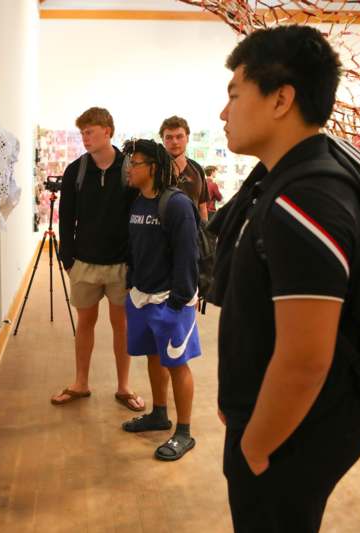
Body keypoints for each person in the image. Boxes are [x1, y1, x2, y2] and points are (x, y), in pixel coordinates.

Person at [213, 26, 360, 532]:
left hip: (292, 436)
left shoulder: (304, 202)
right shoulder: (287, 183)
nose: (223, 113)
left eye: (234, 95)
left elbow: (305, 359)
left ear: (281, 99)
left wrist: (256, 444)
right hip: (284, 422)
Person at [52, 107, 145, 412]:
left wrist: (133, 261)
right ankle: (80, 383)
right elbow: (66, 217)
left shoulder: (129, 169)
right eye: (82, 132)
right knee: (85, 323)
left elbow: (137, 216)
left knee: (122, 325)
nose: (85, 138)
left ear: (107, 131)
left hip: (120, 265)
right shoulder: (75, 171)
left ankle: (124, 387)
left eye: (90, 131)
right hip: (84, 263)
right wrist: (68, 259)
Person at [120, 139, 202, 461]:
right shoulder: (138, 202)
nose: (129, 168)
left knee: (177, 364)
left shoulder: (177, 204)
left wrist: (178, 303)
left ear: (152, 168)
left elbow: (188, 256)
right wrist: (132, 286)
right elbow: (135, 248)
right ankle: (159, 414)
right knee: (154, 357)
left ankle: (184, 432)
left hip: (171, 300)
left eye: (135, 163)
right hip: (142, 297)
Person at [160, 116, 209, 221]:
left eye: (179, 136)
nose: (174, 142)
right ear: (162, 140)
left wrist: (205, 230)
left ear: (187, 138)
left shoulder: (197, 169)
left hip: (192, 229)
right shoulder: (154, 168)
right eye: (169, 137)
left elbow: (202, 207)